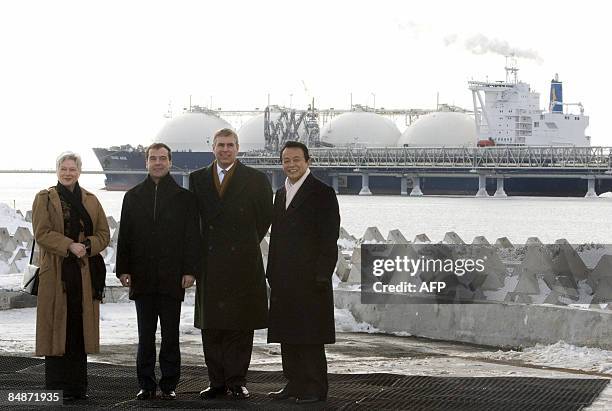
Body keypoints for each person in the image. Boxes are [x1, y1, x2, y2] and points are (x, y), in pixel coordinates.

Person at [189, 128, 273, 400]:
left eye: (230, 145)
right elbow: (194, 222)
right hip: (209, 262)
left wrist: (244, 243)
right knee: (211, 324)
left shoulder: (256, 179)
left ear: (238, 148)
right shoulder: (197, 179)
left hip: (243, 262)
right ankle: (216, 382)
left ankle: (237, 381)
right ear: (212, 147)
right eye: (220, 145)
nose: (225, 149)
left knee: (240, 324)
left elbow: (263, 219)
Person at [116, 143, 200, 400]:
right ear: (146, 162)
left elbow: (191, 237)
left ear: (170, 162)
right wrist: (123, 269)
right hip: (142, 276)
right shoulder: (132, 196)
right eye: (153, 158)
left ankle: (169, 383)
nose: (158, 162)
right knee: (145, 335)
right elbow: (125, 236)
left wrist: (190, 270)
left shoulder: (184, 198)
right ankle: (146, 383)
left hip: (172, 276)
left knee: (170, 334)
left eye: (163, 158)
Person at [32, 151, 110, 402]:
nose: (68, 173)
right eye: (63, 168)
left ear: (79, 171)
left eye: (72, 169)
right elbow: (41, 233)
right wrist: (69, 245)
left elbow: (103, 234)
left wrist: (87, 246)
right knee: (57, 329)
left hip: (84, 274)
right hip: (56, 272)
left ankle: (78, 388)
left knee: (78, 328)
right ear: (57, 171)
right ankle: (56, 388)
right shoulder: (44, 198)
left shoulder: (91, 199)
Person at [266, 141, 340, 404]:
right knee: (288, 334)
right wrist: (271, 271)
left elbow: (329, 238)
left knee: (310, 336)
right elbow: (276, 237)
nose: (291, 165)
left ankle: (315, 387)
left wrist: (322, 274)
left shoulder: (322, 193)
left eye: (296, 159)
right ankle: (294, 383)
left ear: (308, 161)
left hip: (311, 278)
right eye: (286, 160)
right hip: (284, 277)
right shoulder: (280, 193)